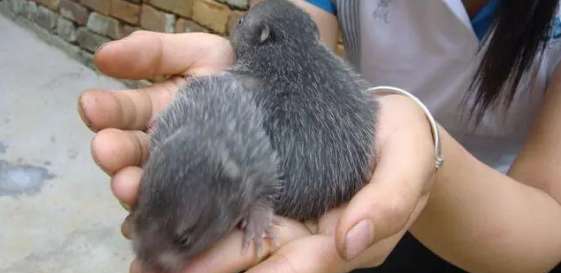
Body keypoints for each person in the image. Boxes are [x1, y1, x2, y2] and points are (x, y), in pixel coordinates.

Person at [77, 0, 561, 272]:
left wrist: (426, 154)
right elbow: (294, 23)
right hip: (354, 201)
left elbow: (547, 223)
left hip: (499, 224)